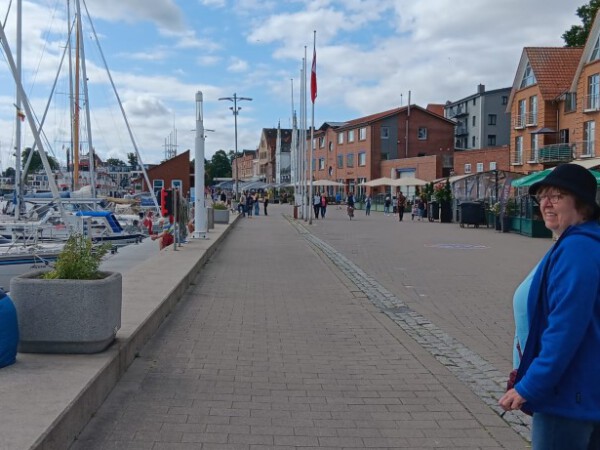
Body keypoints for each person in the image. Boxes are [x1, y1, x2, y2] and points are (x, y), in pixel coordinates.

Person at [498, 164, 600, 449]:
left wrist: (532, 385)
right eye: (542, 196)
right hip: (581, 391)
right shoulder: (581, 243)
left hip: (565, 395)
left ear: (582, 205)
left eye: (557, 196)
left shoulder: (578, 249)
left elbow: (565, 328)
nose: (546, 203)